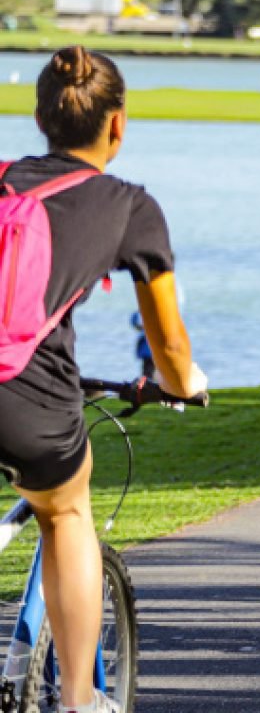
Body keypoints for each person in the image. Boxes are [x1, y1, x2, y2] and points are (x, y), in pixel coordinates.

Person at [0, 46, 207, 713]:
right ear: (117, 125)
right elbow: (168, 345)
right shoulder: (129, 207)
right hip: (25, 396)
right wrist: (183, 383)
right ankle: (80, 700)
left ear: (40, 118)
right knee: (67, 512)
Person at [130, 310, 155, 378]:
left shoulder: (147, 331)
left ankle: (148, 381)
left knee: (148, 372)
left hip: (150, 355)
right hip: (149, 355)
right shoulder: (147, 331)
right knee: (148, 371)